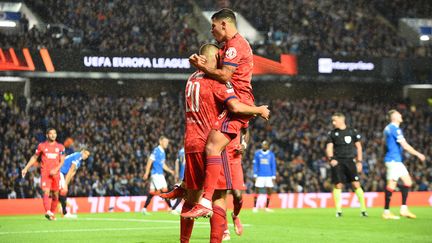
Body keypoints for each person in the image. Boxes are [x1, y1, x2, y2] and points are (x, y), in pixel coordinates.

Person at [178, 43, 269, 242]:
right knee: (218, 197)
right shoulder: (214, 81)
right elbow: (235, 106)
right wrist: (259, 110)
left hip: (191, 143)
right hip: (211, 147)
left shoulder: (191, 79)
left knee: (191, 198)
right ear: (216, 59)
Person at [184, 8, 256, 218]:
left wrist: (202, 68)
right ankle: (190, 188)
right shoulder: (229, 46)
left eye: (213, 25)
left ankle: (206, 201)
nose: (211, 29)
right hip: (233, 102)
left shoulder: (235, 46)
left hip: (238, 101)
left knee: (212, 146)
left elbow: (224, 76)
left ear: (224, 24)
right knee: (208, 147)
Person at [382, 110, 426, 219]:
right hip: (393, 160)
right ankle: (386, 212)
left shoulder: (387, 128)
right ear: (393, 117)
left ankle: (403, 209)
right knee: (391, 185)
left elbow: (385, 144)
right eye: (398, 114)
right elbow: (405, 146)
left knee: (407, 182)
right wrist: (418, 154)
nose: (401, 115)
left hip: (395, 160)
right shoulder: (394, 129)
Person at [325, 113, 367, 217]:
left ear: (341, 120)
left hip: (350, 161)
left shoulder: (352, 131)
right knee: (338, 184)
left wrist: (359, 161)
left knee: (356, 184)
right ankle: (338, 211)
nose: (333, 123)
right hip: (338, 161)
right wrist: (331, 159)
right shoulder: (332, 133)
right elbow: (329, 147)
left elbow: (359, 147)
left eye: (334, 120)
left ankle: (363, 210)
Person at [21, 128, 65, 220]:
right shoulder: (42, 146)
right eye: (51, 133)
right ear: (47, 135)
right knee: (46, 191)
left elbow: (62, 161)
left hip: (56, 174)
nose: (53, 135)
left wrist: (56, 170)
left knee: (56, 195)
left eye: (54, 133)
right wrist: (26, 168)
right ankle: (47, 211)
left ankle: (51, 214)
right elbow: (34, 157)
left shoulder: (60, 147)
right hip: (45, 173)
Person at [141, 136, 177, 215]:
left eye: (167, 142)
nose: (167, 144)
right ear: (160, 141)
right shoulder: (156, 150)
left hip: (159, 174)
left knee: (152, 192)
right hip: (156, 174)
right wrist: (146, 173)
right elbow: (150, 161)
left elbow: (163, 165)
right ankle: (171, 208)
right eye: (165, 142)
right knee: (164, 190)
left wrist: (171, 171)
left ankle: (144, 209)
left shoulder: (163, 152)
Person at [59, 149, 90, 218]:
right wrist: (65, 184)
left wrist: (66, 183)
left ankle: (62, 207)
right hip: (59, 171)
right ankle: (64, 211)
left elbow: (72, 173)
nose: (87, 156)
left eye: (88, 155)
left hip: (61, 173)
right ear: (82, 152)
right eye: (86, 154)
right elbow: (70, 170)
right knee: (63, 190)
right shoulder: (78, 156)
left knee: (60, 191)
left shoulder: (79, 162)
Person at [252, 140, 276, 213]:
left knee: (269, 191)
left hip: (269, 175)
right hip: (260, 175)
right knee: (257, 190)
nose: (264, 146)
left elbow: (273, 165)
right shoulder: (257, 154)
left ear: (268, 146)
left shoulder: (271, 154)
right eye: (263, 144)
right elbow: (255, 164)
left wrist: (273, 176)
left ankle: (267, 207)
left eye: (265, 145)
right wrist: (255, 174)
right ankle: (255, 207)